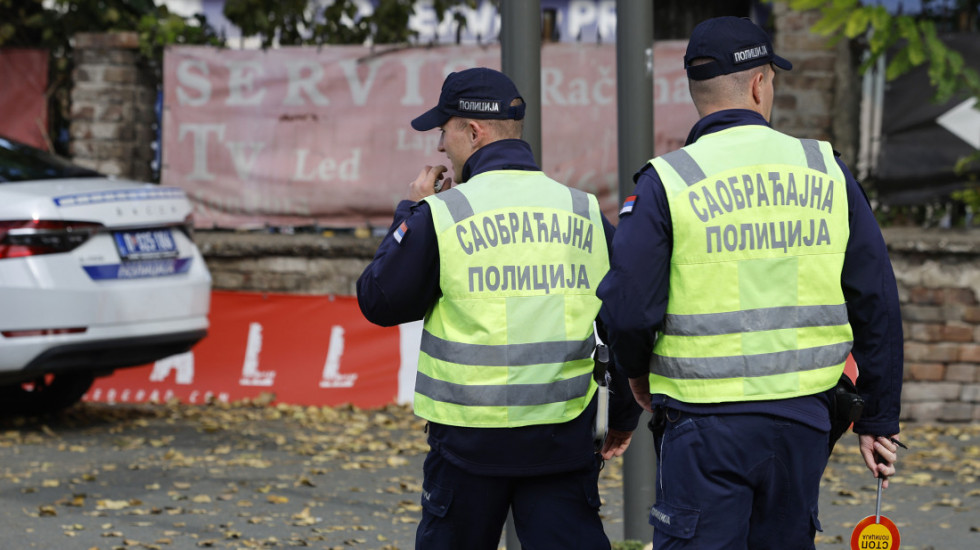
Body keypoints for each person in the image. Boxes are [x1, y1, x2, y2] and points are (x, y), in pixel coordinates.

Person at [596, 16, 905, 549]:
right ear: (760, 84)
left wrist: (636, 375)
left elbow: (626, 306)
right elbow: (875, 298)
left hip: (702, 426)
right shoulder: (825, 169)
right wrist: (878, 415)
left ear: (696, 91)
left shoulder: (669, 180)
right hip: (804, 421)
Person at [356, 67, 641, 549]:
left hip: (467, 446)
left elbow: (380, 301)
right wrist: (623, 416)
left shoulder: (444, 214)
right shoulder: (584, 211)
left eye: (443, 130)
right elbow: (627, 321)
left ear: (473, 130)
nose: (440, 146)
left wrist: (411, 212)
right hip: (561, 441)